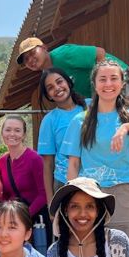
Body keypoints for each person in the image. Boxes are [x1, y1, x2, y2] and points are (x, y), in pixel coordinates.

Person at [62, 60, 129, 242]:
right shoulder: (80, 120)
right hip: (89, 192)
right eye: (102, 79)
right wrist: (72, 197)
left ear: (122, 83)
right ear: (94, 84)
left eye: (114, 78)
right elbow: (73, 164)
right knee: (88, 246)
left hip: (123, 189)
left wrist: (126, 127)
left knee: (121, 245)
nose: (108, 84)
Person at [0, 115, 52, 244]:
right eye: (8, 130)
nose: (12, 134)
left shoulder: (35, 159)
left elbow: (43, 194)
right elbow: (6, 194)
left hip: (36, 221)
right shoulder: (2, 162)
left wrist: (23, 216)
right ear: (2, 133)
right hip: (13, 222)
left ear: (24, 134)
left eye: (17, 130)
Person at [37, 68, 88, 206]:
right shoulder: (49, 120)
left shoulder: (90, 106)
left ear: (68, 82)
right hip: (63, 183)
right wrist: (50, 202)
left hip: (94, 179)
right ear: (48, 96)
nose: (57, 88)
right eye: (50, 88)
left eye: (59, 82)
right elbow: (48, 165)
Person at [16, 37, 127, 99]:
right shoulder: (48, 75)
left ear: (44, 47)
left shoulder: (63, 54)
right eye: (26, 59)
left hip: (122, 78)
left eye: (32, 53)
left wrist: (104, 85)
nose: (30, 60)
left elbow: (99, 53)